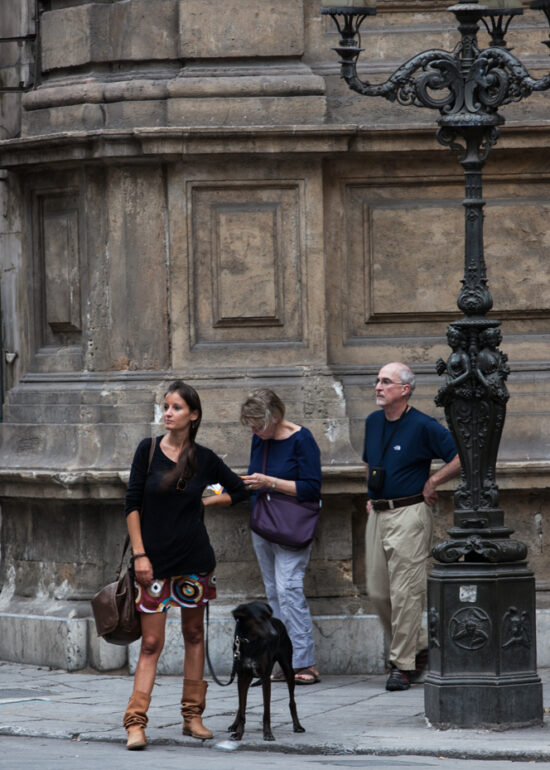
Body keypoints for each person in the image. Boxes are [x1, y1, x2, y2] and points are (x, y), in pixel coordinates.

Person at [122, 380, 248, 750]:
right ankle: (135, 722)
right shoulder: (147, 451)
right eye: (166, 406)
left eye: (175, 407)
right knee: (151, 642)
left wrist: (206, 502)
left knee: (194, 636)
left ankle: (193, 717)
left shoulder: (203, 458)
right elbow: (131, 505)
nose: (167, 413)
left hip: (194, 562)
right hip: (154, 563)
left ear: (193, 415)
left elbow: (238, 491)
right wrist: (140, 556)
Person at [363, 362, 460, 692]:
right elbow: (369, 463)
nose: (378, 386)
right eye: (377, 380)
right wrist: (370, 494)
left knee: (405, 592)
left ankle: (402, 665)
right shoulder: (373, 422)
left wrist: (433, 480)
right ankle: (418, 645)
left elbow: (460, 456)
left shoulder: (422, 425)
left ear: (404, 390)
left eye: (386, 382)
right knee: (378, 591)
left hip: (410, 513)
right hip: (377, 513)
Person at [240, 388, 322, 685]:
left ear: (275, 416)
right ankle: (282, 659)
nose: (254, 430)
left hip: (291, 526)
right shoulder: (259, 440)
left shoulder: (302, 439)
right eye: (250, 425)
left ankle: (305, 663)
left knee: (289, 590)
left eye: (258, 424)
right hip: (264, 523)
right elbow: (254, 477)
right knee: (274, 593)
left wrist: (270, 482)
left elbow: (312, 488)